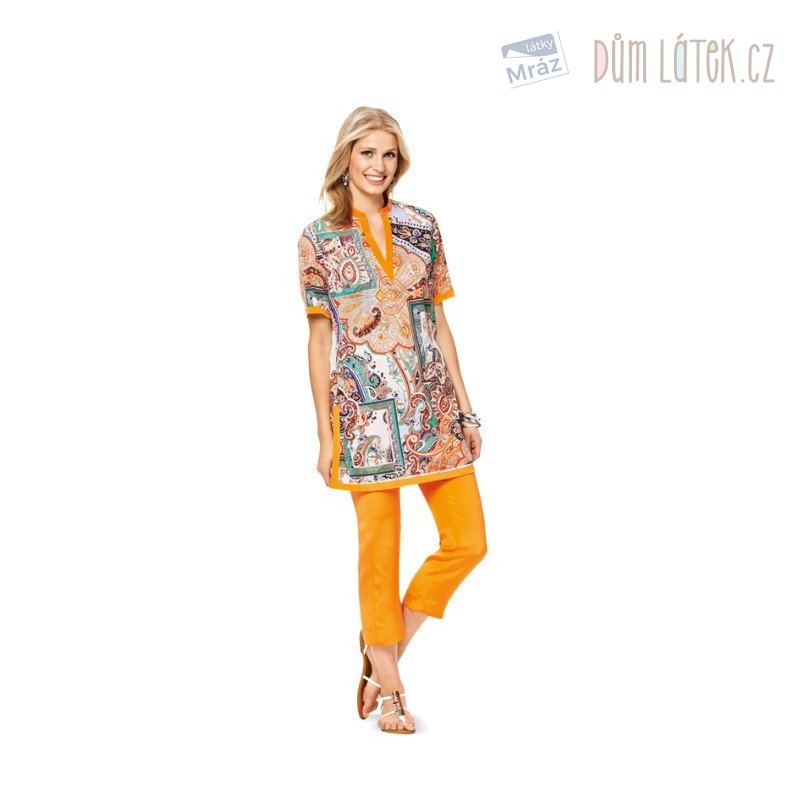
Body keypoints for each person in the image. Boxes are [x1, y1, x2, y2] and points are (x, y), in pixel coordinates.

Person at [297, 106, 488, 734]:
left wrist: (465, 410)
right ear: (346, 159)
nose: (379, 165)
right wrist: (325, 433)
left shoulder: (422, 227)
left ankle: (383, 650)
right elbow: (320, 341)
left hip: (433, 408)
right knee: (379, 550)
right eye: (367, 153)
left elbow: (440, 324)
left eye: (388, 154)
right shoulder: (318, 240)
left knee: (468, 541)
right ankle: (392, 690)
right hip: (366, 416)